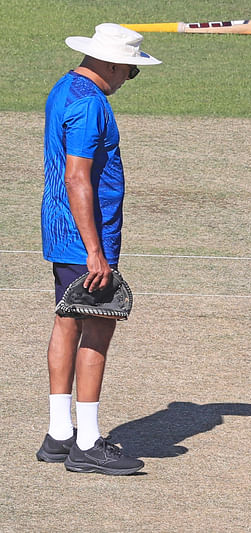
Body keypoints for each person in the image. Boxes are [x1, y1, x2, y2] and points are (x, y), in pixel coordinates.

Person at [37, 23, 161, 475]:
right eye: (130, 71)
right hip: (87, 238)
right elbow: (77, 177)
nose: (129, 79)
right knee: (97, 328)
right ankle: (87, 442)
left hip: (60, 232)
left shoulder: (63, 88)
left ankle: (58, 434)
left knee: (66, 322)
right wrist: (96, 250)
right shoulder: (92, 106)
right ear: (110, 63)